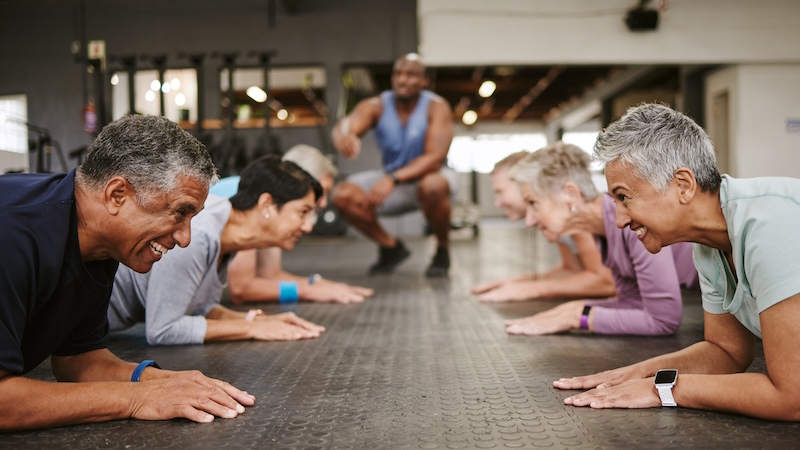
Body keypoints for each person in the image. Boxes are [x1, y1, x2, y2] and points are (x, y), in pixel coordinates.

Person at [0, 115, 255, 431]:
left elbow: (78, 360)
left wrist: (162, 381)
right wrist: (137, 397)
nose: (185, 238)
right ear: (116, 195)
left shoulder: (98, 243)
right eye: (179, 212)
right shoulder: (11, 233)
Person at [555, 103, 800, 421]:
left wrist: (661, 389)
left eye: (624, 197)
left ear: (682, 185)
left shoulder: (773, 224)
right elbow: (726, 352)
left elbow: (792, 396)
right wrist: (637, 374)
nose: (618, 220)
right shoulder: (710, 246)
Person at [108, 155, 327, 345]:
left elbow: (202, 308)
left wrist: (255, 321)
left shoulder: (226, 235)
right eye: (303, 212)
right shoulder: (199, 233)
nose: (308, 226)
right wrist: (251, 330)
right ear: (266, 204)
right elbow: (163, 330)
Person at [503, 142, 697, 336]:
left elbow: (663, 320)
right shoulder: (602, 230)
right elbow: (634, 303)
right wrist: (572, 310)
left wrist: (577, 317)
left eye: (533, 203)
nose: (529, 220)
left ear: (570, 194)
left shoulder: (630, 222)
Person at [331, 52, 456, 277]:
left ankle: (442, 250)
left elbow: (435, 157)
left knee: (433, 185)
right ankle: (390, 248)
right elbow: (347, 123)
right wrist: (344, 134)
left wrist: (392, 179)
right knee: (343, 195)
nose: (402, 80)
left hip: (431, 177)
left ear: (424, 80)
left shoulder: (436, 107)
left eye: (411, 75)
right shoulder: (376, 105)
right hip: (394, 180)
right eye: (398, 74)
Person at [215, 145, 374, 304]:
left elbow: (271, 275)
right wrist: (308, 291)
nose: (324, 203)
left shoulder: (273, 207)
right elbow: (242, 289)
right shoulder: (254, 204)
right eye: (321, 191)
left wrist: (318, 284)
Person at [471, 151, 616, 303]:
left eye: (500, 192)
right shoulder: (550, 213)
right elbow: (573, 270)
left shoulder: (569, 203)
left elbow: (604, 281)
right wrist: (520, 283)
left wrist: (531, 289)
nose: (497, 202)